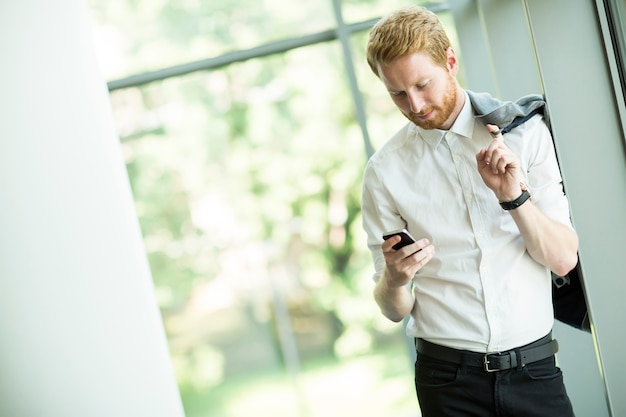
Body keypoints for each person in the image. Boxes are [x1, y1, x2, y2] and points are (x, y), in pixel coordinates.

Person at [361, 6, 579, 417]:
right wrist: (394, 278)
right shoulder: (384, 172)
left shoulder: (524, 134)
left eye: (423, 85)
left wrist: (514, 198)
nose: (415, 104)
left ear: (451, 62)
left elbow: (564, 260)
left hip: (535, 374)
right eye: (397, 93)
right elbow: (392, 310)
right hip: (446, 384)